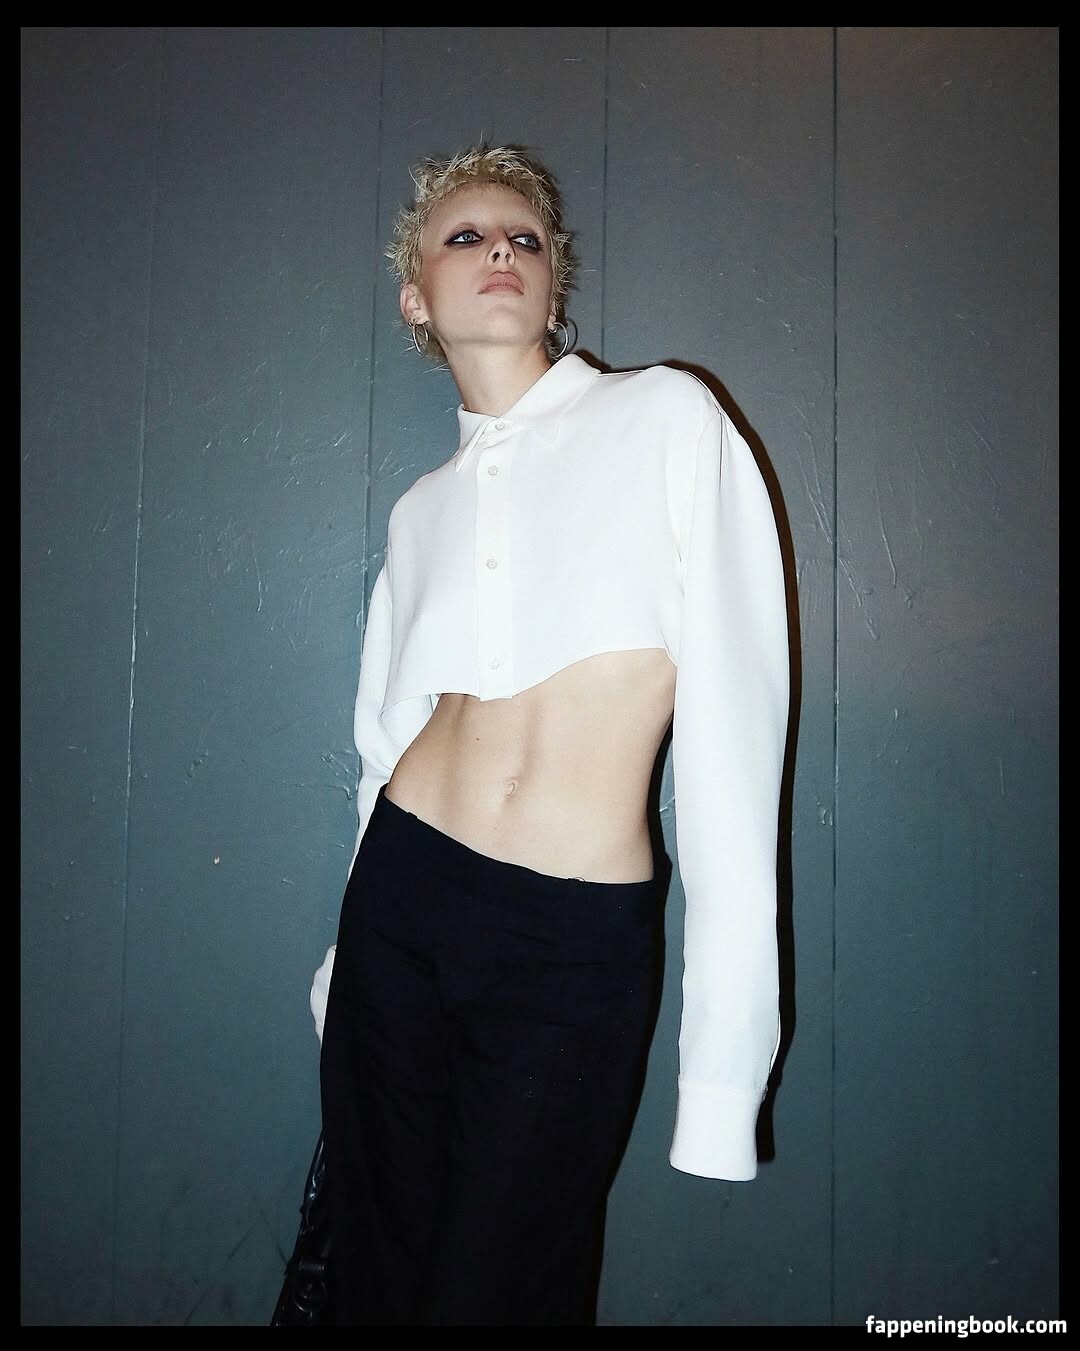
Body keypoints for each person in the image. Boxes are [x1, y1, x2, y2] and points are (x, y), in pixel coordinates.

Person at [309, 143, 790, 1326]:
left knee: (503, 1291)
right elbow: (383, 748)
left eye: (525, 238)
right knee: (376, 1273)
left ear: (554, 283)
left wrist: (724, 1074)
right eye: (466, 237)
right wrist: (339, 967)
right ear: (416, 298)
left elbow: (737, 750)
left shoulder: (665, 417)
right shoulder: (418, 513)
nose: (501, 252)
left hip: (567, 939)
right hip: (398, 912)